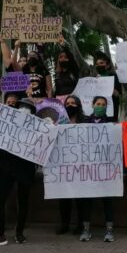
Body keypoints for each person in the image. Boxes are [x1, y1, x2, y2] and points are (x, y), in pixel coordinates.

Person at [0, 97, 37, 247]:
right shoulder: (7, 125)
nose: (23, 110)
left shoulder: (37, 129)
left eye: (27, 108)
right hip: (6, 168)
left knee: (23, 201)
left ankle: (19, 233)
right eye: (20, 107)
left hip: (25, 169)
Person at [78, 96, 117, 242]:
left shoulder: (111, 124)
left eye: (103, 104)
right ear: (93, 105)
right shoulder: (84, 123)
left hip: (106, 168)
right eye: (98, 104)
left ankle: (109, 231)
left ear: (106, 107)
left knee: (108, 199)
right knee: (87, 199)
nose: (100, 106)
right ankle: (86, 230)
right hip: (89, 169)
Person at [56, 95, 85, 235]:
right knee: (64, 196)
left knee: (80, 196)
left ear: (78, 106)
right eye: (68, 103)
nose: (70, 105)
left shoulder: (85, 121)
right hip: (63, 163)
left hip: (80, 164)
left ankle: (80, 224)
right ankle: (64, 223)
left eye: (73, 103)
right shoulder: (59, 121)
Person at [93, 52, 121, 119]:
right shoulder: (94, 78)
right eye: (97, 64)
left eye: (101, 63)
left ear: (107, 65)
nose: (99, 65)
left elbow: (118, 94)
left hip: (111, 107)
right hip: (98, 109)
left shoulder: (114, 76)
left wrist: (108, 86)